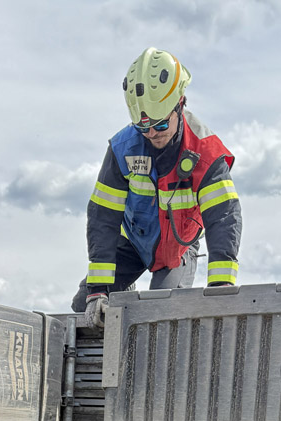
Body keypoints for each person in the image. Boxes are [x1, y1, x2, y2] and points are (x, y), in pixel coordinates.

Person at [72, 47, 242, 328]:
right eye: (143, 128)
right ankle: (119, 301)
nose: (152, 134)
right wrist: (99, 290)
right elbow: (103, 217)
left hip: (177, 248)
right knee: (85, 306)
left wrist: (221, 287)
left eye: (161, 125)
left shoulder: (206, 153)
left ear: (180, 105)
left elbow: (223, 219)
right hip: (133, 242)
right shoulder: (122, 149)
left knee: (161, 316)